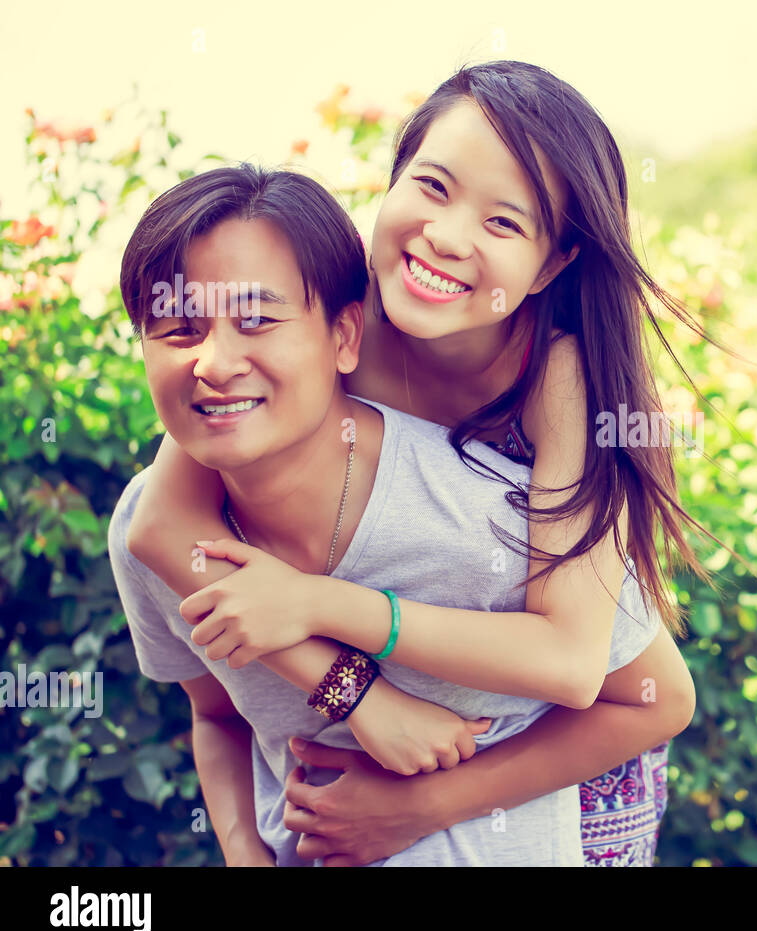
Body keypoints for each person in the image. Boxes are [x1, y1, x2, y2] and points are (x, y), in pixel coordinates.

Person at [125, 60, 722, 865]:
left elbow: (580, 667)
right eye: (433, 187)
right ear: (393, 178)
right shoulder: (322, 328)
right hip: (391, 732)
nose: (447, 237)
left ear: (551, 266)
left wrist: (324, 614)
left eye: (504, 224)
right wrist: (359, 695)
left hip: (573, 760)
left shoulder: (561, 383)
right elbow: (160, 526)